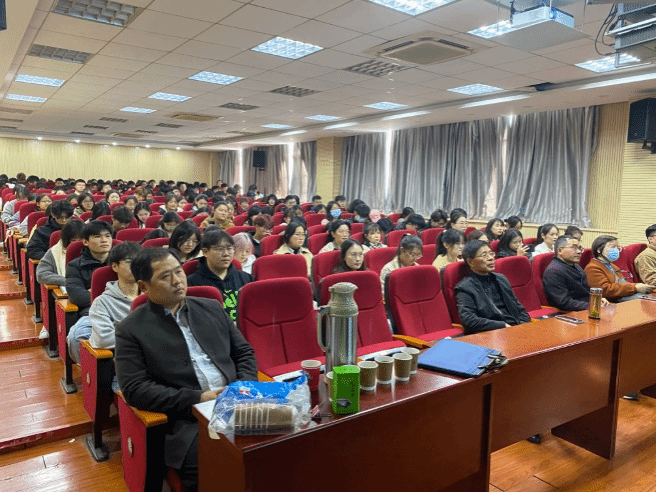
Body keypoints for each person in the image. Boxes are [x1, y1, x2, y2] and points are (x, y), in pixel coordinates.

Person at [115, 247, 257, 491]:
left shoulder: (211, 307)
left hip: (239, 400)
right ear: (144, 286)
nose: (177, 281)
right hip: (188, 420)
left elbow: (244, 352)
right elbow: (135, 389)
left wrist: (242, 385)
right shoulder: (130, 329)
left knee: (281, 446)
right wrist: (199, 398)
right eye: (165, 276)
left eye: (179, 272)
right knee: (215, 472)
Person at [455, 239, 530, 335]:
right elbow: (469, 320)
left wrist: (524, 326)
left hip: (515, 329)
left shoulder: (501, 278)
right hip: (493, 334)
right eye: (484, 255)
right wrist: (502, 325)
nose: (490, 258)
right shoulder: (465, 288)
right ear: (470, 262)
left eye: (491, 254)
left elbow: (518, 308)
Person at [66, 220, 114, 364]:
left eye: (107, 236)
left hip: (122, 309)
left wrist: (96, 293)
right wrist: (109, 297)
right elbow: (77, 296)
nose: (104, 240)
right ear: (85, 241)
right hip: (91, 312)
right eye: (98, 236)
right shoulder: (75, 265)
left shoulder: (121, 262)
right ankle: (90, 371)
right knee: (75, 337)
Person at [187, 229, 254, 321]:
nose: (226, 254)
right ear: (205, 252)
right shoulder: (192, 284)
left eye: (229, 249)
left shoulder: (247, 279)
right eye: (220, 249)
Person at [89, 241, 142, 353]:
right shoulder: (102, 302)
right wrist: (145, 338)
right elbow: (104, 339)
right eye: (129, 262)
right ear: (115, 266)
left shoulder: (153, 296)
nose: (136, 266)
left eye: (139, 261)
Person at [35, 220, 85, 339]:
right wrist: (67, 281)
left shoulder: (93, 251)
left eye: (81, 240)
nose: (78, 244)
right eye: (74, 240)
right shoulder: (54, 252)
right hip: (67, 294)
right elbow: (41, 274)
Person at [584, 235, 655, 303]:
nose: (616, 249)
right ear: (599, 250)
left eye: (617, 247)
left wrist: (639, 286)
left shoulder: (612, 266)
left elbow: (622, 284)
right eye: (613, 247)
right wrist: (635, 287)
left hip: (623, 298)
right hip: (610, 303)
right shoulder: (592, 268)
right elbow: (604, 290)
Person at [542, 235, 601, 312]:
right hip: (570, 313)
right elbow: (564, 302)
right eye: (574, 248)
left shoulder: (575, 265)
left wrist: (596, 300)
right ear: (560, 251)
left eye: (580, 248)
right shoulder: (553, 271)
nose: (579, 252)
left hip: (585, 307)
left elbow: (585, 290)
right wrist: (593, 306)